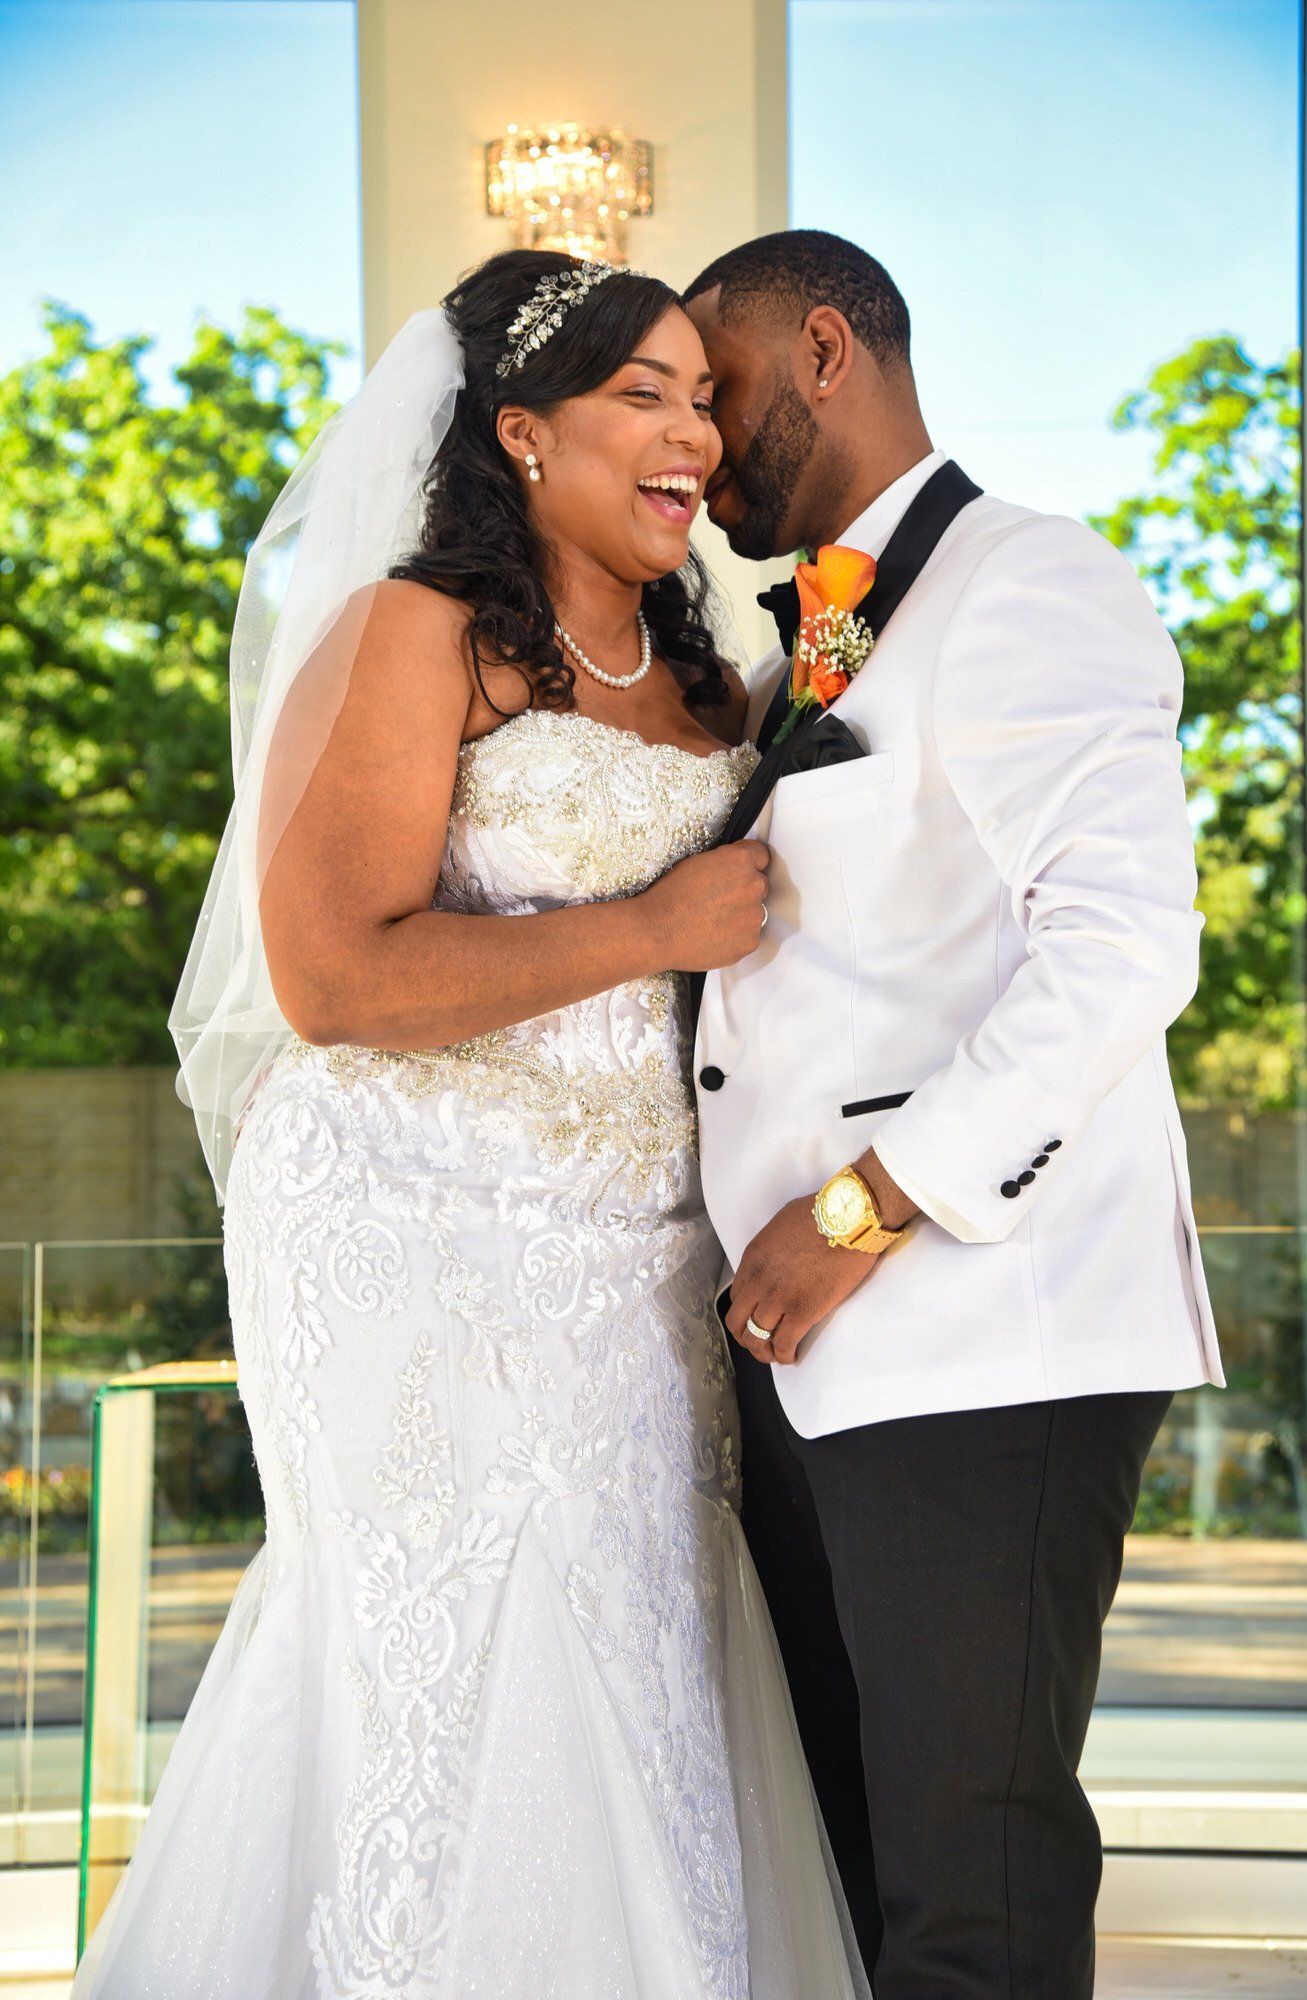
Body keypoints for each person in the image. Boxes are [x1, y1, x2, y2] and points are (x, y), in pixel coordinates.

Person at [73, 250, 870, 2000]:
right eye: (641, 398)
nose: (692, 436)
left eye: (702, 399)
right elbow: (331, 976)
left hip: (643, 1252)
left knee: (644, 1655)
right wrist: (654, 928)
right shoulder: (410, 631)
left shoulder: (717, 681)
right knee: (440, 1654)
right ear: (520, 432)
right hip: (406, 1223)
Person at [683, 229, 1226, 2000]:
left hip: (991, 1346)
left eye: (723, 385)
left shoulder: (1026, 580)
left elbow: (1126, 948)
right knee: (848, 1873)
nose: (697, 439)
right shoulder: (826, 625)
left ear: (826, 349)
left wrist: (858, 1213)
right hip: (821, 1366)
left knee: (967, 1898)